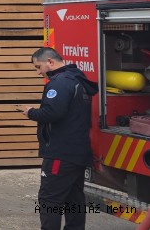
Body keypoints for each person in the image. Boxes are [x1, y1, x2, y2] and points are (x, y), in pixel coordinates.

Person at [20, 47, 97, 230]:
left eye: (39, 67)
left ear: (50, 62)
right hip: (77, 152)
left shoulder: (59, 83)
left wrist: (31, 112)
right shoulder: (76, 78)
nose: (39, 72)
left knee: (49, 200)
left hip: (61, 154)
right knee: (73, 198)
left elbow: (53, 112)